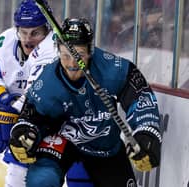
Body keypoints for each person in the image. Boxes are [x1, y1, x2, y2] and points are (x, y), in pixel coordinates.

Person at [9, 18, 162, 187]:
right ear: (58, 51)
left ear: (90, 51)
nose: (72, 64)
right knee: (42, 180)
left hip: (104, 143)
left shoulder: (113, 68)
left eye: (79, 55)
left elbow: (140, 98)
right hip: (63, 139)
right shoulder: (47, 82)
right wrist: (24, 132)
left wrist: (146, 132)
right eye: (66, 55)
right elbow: (30, 117)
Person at [0, 1, 93, 186]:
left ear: (47, 29)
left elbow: (38, 94)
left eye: (35, 33)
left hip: (65, 120)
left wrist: (7, 113)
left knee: (71, 176)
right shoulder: (5, 41)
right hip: (31, 122)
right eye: (23, 32)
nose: (27, 39)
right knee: (17, 174)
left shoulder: (53, 48)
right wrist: (2, 100)